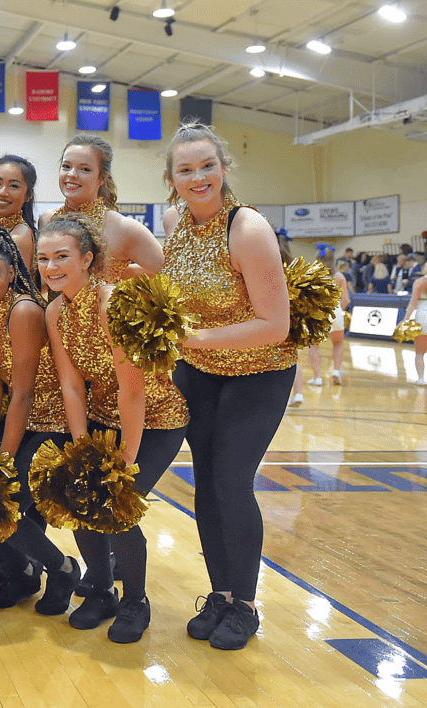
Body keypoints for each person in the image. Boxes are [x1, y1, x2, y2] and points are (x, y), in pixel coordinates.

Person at [160, 123, 295, 651]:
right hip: (200, 372)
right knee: (206, 483)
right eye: (186, 169)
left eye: (207, 166)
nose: (198, 177)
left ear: (223, 169)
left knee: (233, 480)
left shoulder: (249, 228)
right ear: (171, 179)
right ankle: (220, 594)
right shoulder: (172, 221)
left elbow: (275, 324)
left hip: (260, 370)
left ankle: (246, 605)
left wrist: (196, 337)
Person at [39, 213, 189, 642]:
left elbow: (133, 390)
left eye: (62, 256)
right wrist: (81, 447)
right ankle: (102, 591)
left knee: (115, 502)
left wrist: (126, 460)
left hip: (155, 419)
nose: (51, 267)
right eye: (44, 259)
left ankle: (135, 601)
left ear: (87, 259)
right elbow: (71, 385)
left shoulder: (112, 304)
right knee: (81, 493)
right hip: (104, 414)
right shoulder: (55, 311)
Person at [0, 225, 81, 614]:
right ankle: (23, 573)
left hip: (52, 424)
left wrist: (0, 462)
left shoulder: (24, 310)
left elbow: (23, 394)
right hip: (23, 422)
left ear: (12, 272)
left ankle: (63, 569)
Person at [37, 135, 164, 284]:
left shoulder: (123, 228)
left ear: (102, 177)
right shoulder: (47, 219)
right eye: (66, 166)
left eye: (85, 169)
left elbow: (173, 274)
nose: (71, 174)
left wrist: (126, 279)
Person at [0, 155, 38, 274]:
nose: (2, 192)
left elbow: (14, 286)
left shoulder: (18, 237)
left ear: (28, 195)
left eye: (13, 186)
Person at [306, 259, 351, 387]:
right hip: (336, 312)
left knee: (314, 346)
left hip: (318, 312)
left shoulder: (312, 274)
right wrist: (339, 309)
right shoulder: (339, 276)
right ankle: (336, 371)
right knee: (338, 343)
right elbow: (346, 299)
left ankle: (317, 378)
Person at [402, 275, 427, 385]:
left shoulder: (419, 281)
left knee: (420, 352)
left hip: (422, 317)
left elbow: (413, 303)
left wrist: (405, 320)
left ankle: (421, 379)